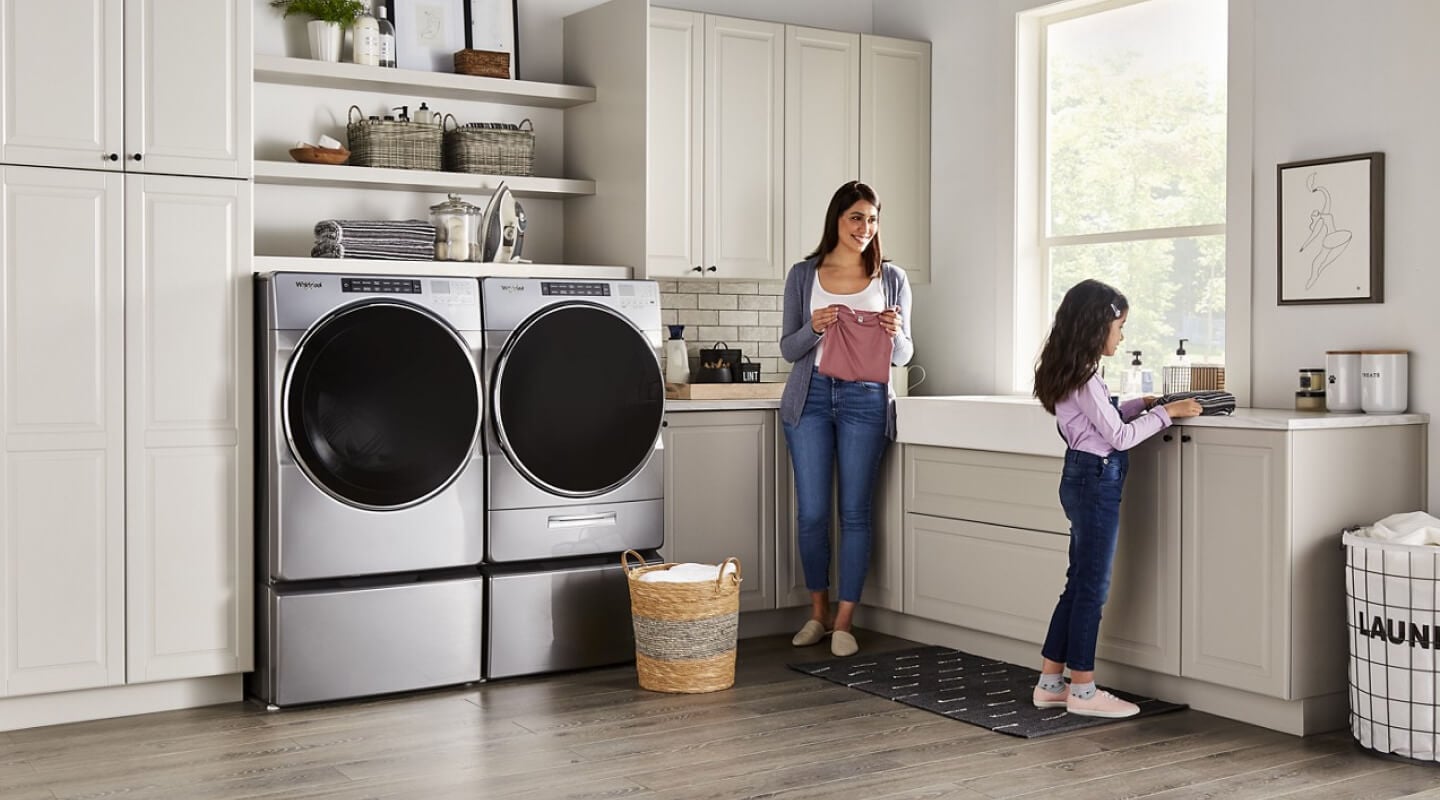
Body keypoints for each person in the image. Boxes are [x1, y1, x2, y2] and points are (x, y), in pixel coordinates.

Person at [1030, 279, 1201, 717]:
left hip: (1080, 473)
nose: (1122, 336)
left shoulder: (1070, 371)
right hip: (1096, 479)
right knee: (1092, 588)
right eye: (1119, 326)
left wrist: (1139, 403)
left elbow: (1099, 422)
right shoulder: (1085, 377)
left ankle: (1052, 681)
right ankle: (1083, 691)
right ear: (1096, 325)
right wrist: (1167, 413)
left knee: (1078, 582)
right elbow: (1119, 438)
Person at [779, 180, 913, 658]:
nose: (865, 228)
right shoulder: (803, 274)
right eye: (856, 217)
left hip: (867, 401)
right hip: (809, 399)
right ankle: (816, 613)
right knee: (813, 513)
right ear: (837, 219)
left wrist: (895, 333)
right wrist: (813, 328)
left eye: (872, 219)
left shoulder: (891, 278)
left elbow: (902, 355)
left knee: (855, 513)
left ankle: (844, 622)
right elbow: (787, 348)